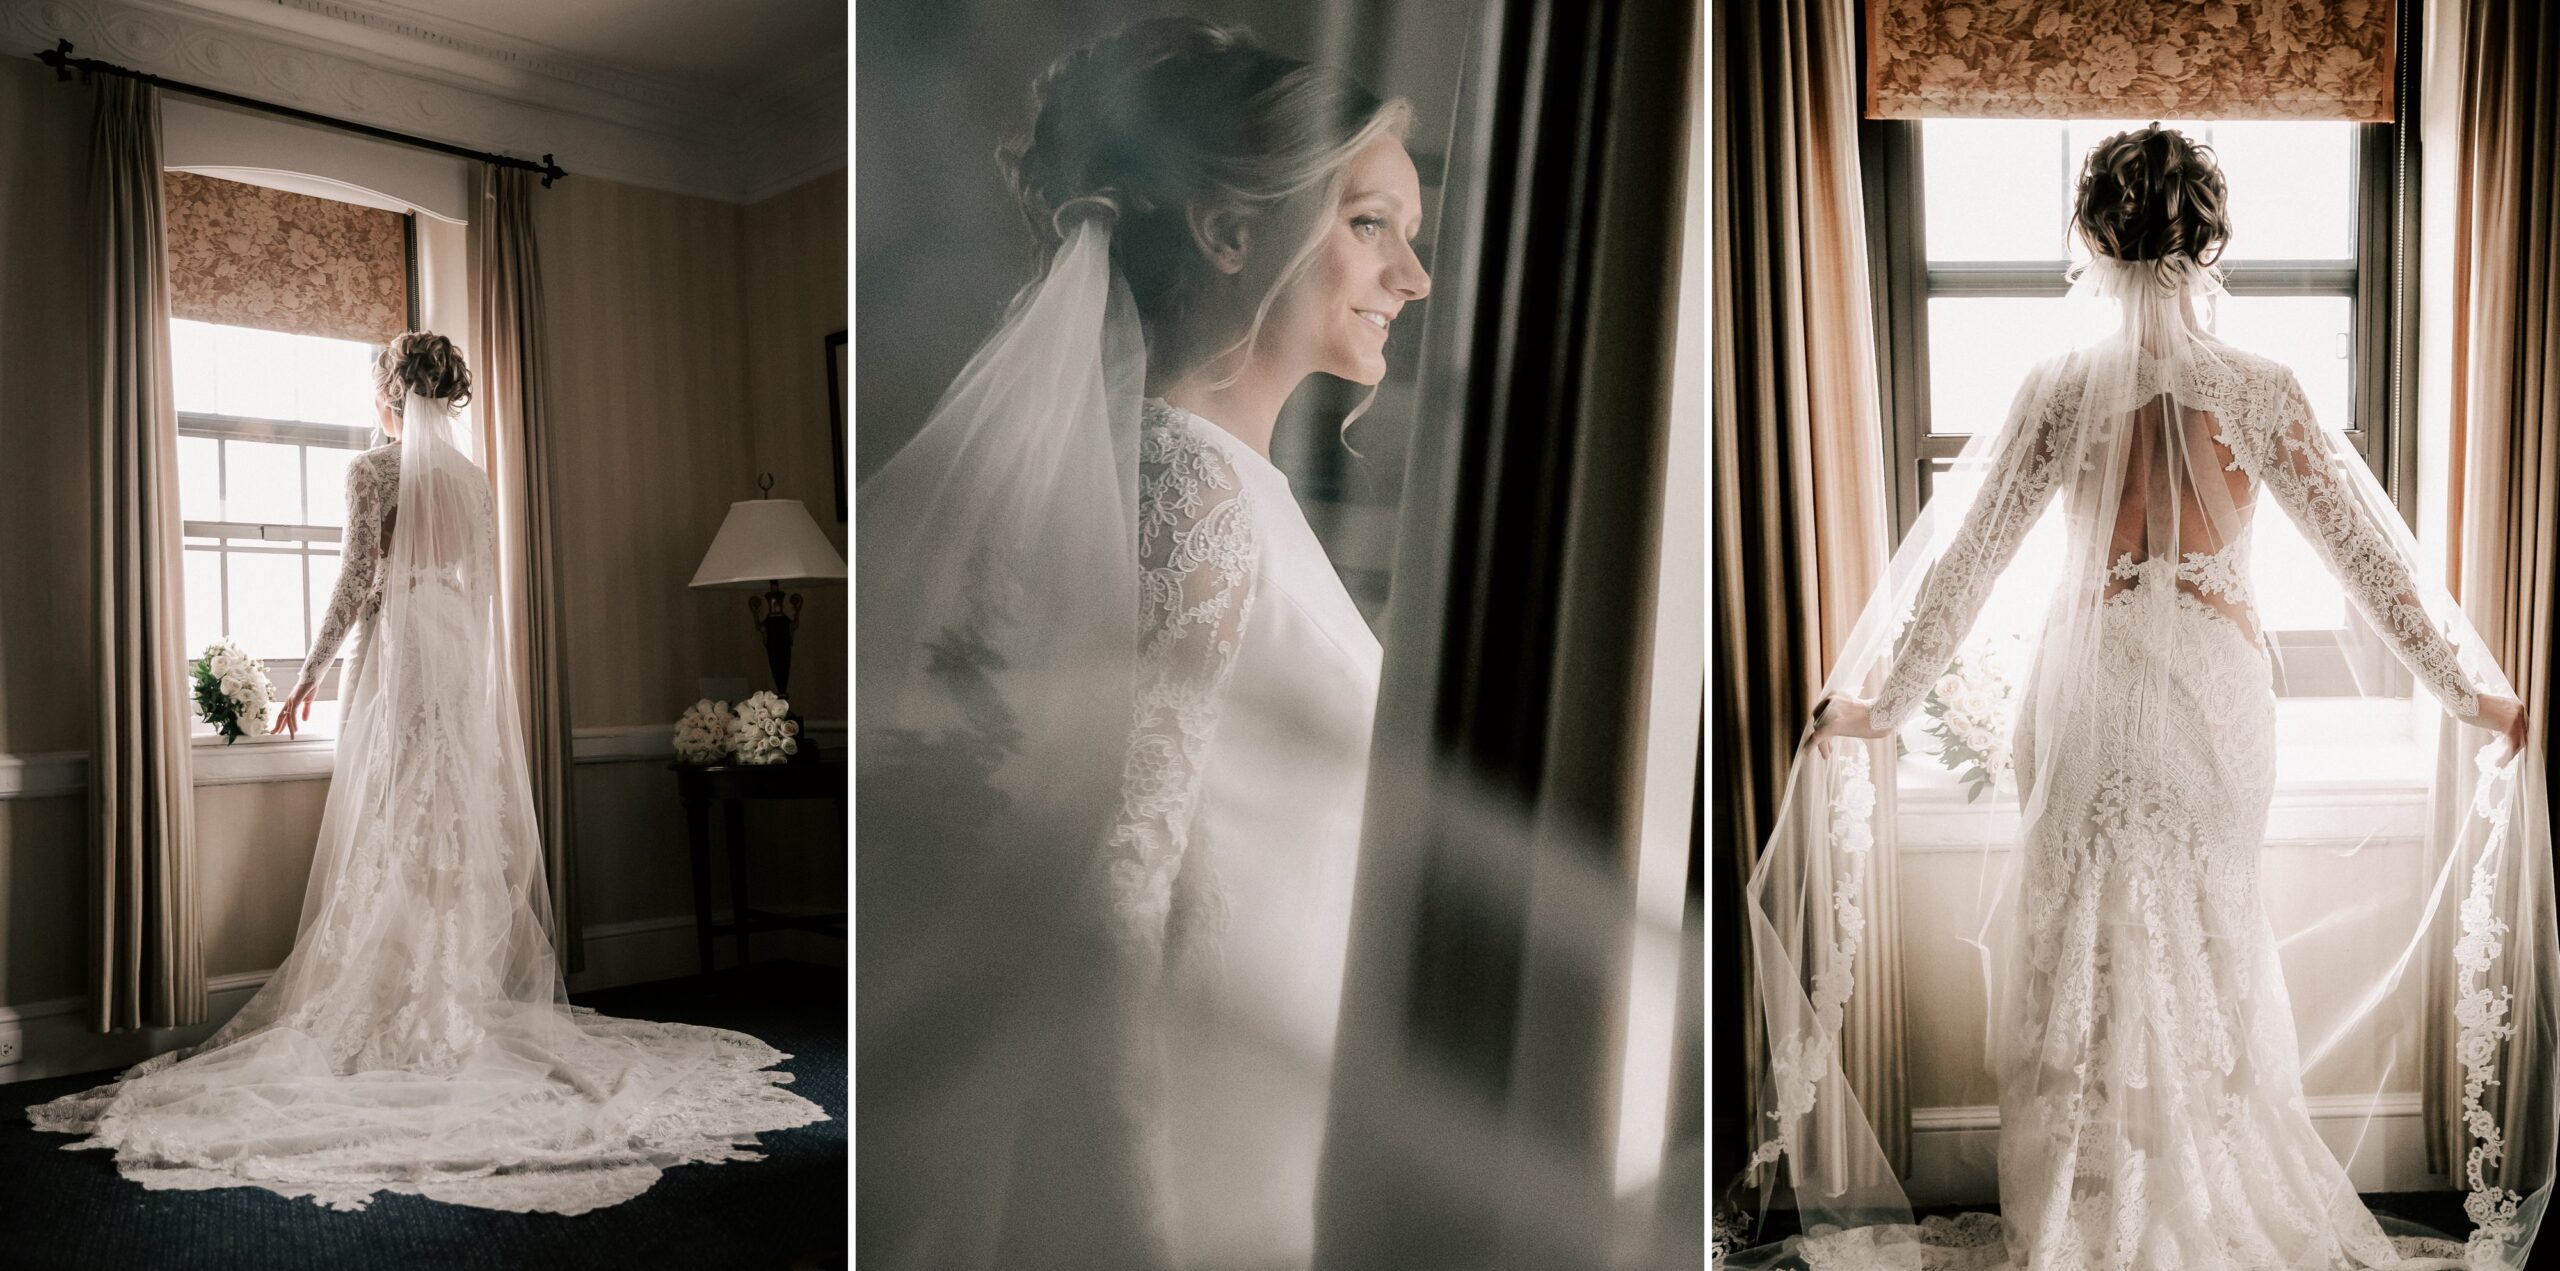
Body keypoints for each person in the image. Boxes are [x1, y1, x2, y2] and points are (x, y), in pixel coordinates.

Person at [1723, 127, 2556, 1269]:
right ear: (2212, 238)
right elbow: (2370, 560)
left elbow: (1962, 566)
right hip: (2215, 700)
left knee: (2087, 954)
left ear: (2091, 234)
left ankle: (2083, 1215)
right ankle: (2196, 1201)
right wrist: (2475, 694)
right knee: (2207, 943)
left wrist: (1880, 701)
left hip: (2088, 688)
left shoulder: (2059, 390)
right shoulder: (2258, 390)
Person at [854, 18, 1428, 1270]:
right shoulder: (1191, 493)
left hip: (1279, 1079)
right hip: (1204, 1119)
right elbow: (1108, 899)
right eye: (1372, 224)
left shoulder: (1213, 483)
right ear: (1230, 232)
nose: (1412, 276)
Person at [28, 333, 828, 1215]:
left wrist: (309, 677)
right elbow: (483, 599)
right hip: (451, 647)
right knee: (449, 821)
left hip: (403, 646)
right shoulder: (477, 481)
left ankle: (406, 1008)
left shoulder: (373, 471)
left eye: (380, 386)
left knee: (394, 822)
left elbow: (352, 583)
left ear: (392, 396)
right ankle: (454, 1000)